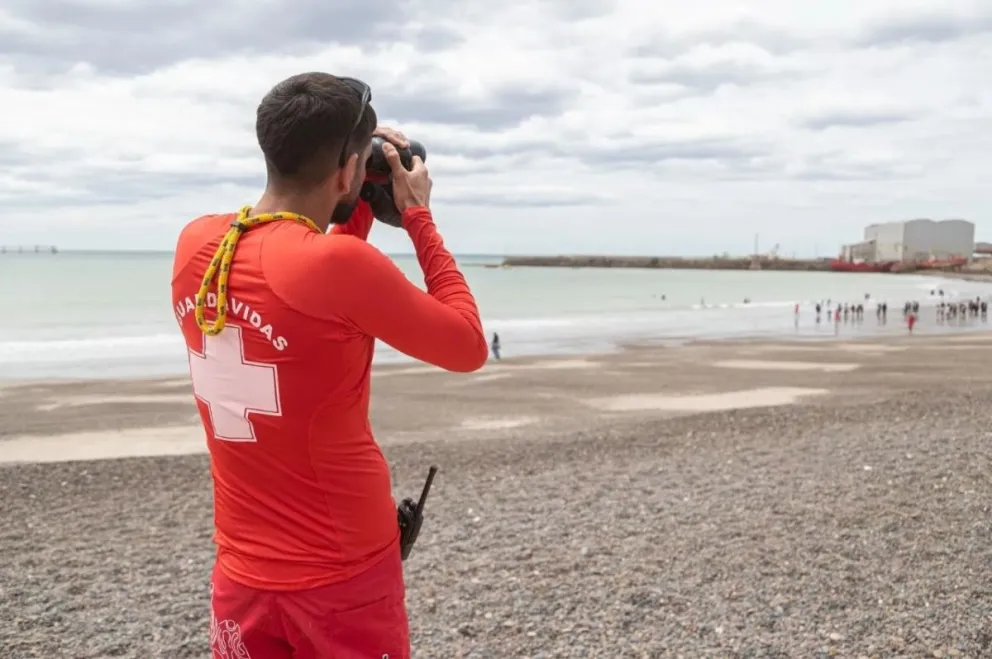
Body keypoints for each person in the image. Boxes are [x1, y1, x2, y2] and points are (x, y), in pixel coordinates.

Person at [171, 72, 488, 659]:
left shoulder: (197, 245)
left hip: (242, 568)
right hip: (343, 573)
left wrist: (353, 197)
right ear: (347, 169)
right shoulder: (335, 267)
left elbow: (313, 283)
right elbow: (468, 344)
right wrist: (416, 214)